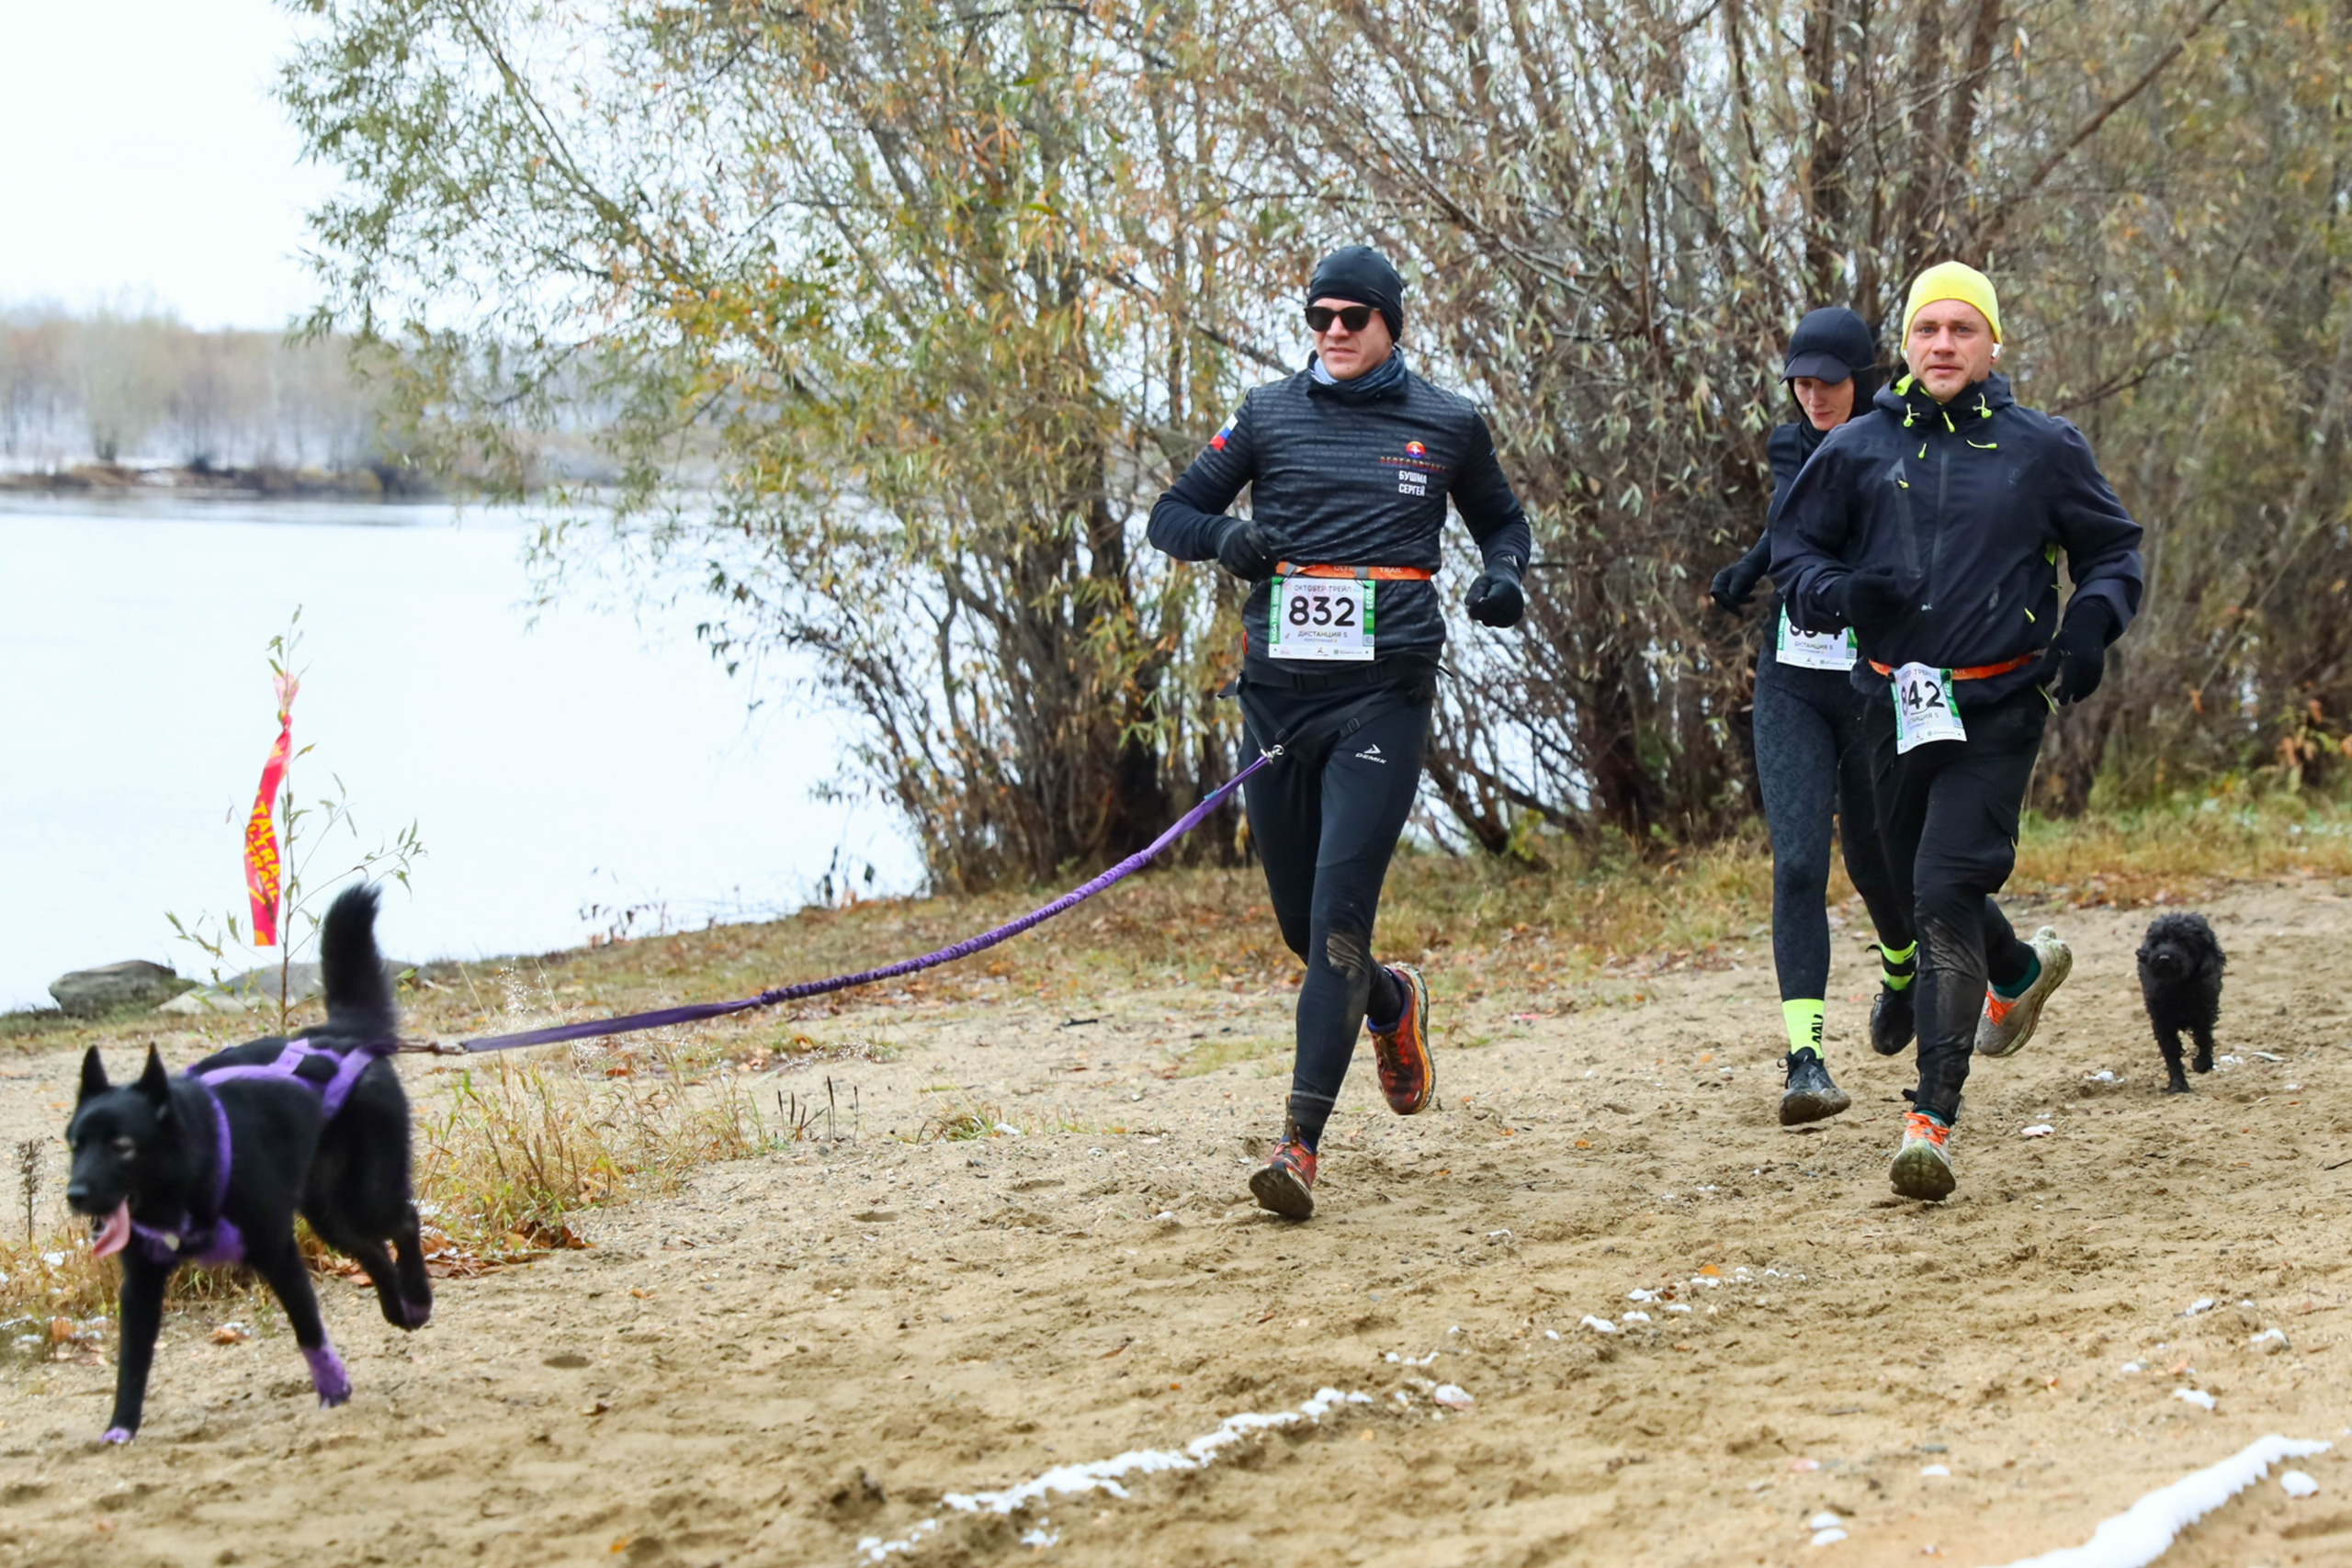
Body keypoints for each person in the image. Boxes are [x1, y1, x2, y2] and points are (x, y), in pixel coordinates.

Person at [1148, 244, 1532, 1220]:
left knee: (1336, 928)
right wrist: (1224, 539)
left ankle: (1297, 1148)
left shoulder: (1446, 423)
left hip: (1381, 700)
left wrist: (1502, 579)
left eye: (1351, 316)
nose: (1332, 332)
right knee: (1298, 928)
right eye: (1318, 316)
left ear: (1390, 322)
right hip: (1278, 701)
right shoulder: (1268, 415)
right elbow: (1171, 513)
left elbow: (1502, 523)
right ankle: (1393, 1007)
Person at [1772, 261, 2143, 1201]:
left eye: (1961, 330)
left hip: (2000, 702)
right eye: (1927, 330)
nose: (1943, 345)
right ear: (1904, 344)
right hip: (1891, 700)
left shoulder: (2039, 447)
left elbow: (2111, 548)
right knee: (1898, 878)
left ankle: (1929, 1118)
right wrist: (1838, 592)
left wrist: (2092, 624)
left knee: (1943, 891)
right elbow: (1794, 552)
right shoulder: (1857, 447)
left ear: (1990, 345)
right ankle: (2015, 970)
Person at [1710, 308, 1920, 1128]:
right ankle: (1806, 1061)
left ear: (1862, 378)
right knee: (1798, 862)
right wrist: (1749, 566)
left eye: (1827, 381)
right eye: (1799, 381)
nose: (1811, 395)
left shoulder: (1901, 440)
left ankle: (1900, 970)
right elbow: (1791, 521)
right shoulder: (1789, 439)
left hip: (1870, 679)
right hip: (1793, 675)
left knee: (1874, 857)